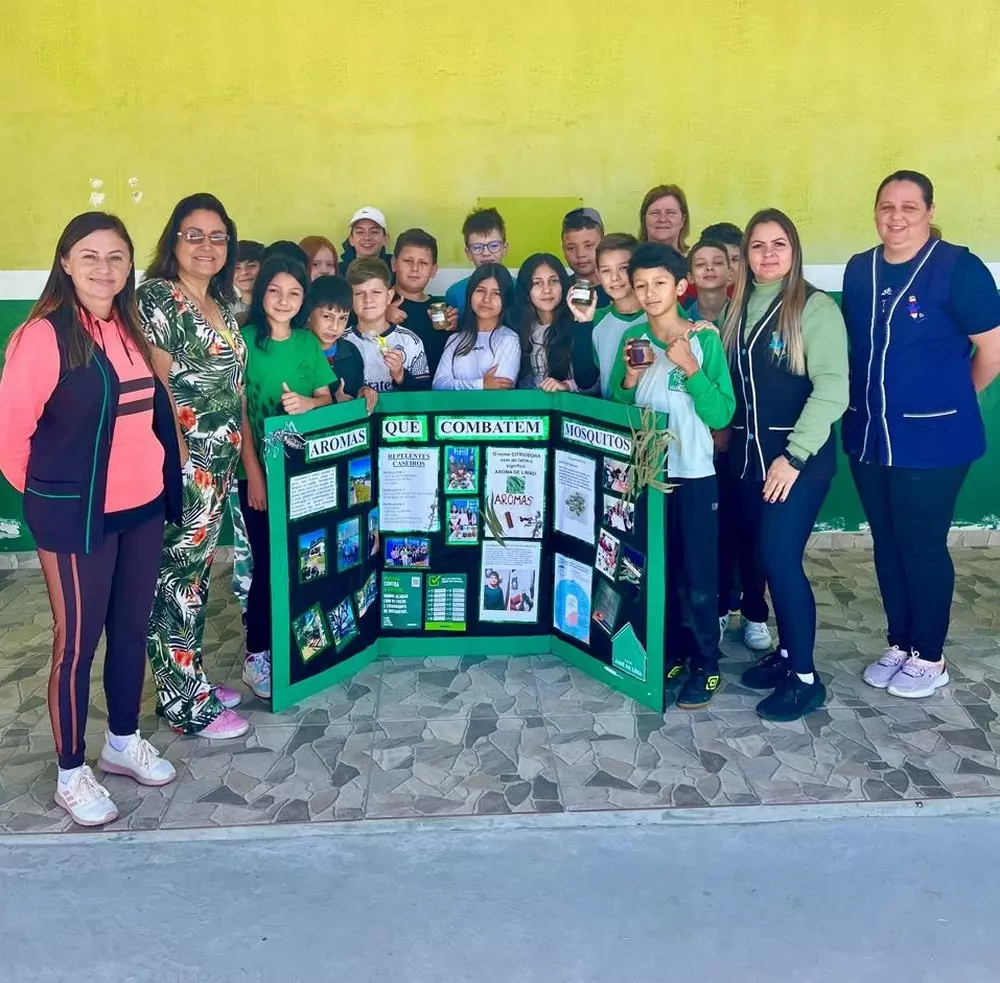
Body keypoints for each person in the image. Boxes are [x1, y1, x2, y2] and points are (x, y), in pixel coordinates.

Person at [0, 212, 182, 826]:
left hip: (142, 508)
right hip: (78, 519)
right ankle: (71, 771)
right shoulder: (43, 337)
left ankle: (123, 742)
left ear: (130, 266)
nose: (104, 267)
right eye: (90, 255)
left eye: (116, 256)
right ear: (65, 262)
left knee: (131, 631)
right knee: (75, 645)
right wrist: (53, 499)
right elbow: (11, 437)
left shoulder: (129, 326)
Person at [842, 170, 1000, 698]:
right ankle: (900, 642)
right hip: (870, 437)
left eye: (910, 207)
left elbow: (991, 353)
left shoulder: (960, 269)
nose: (897, 217)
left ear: (929, 212)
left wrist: (952, 402)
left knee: (923, 545)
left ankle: (929, 657)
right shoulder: (859, 270)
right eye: (887, 206)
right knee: (887, 543)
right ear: (875, 212)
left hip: (935, 443)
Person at [722, 209, 849, 722]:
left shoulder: (814, 308)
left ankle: (805, 679)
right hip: (749, 464)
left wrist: (793, 457)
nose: (768, 254)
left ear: (794, 251)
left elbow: (833, 387)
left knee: (780, 561)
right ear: (746, 256)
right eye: (757, 246)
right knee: (760, 558)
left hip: (797, 465)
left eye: (779, 244)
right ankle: (787, 654)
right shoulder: (741, 306)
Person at [138, 192, 250, 740]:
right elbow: (156, 386)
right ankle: (185, 706)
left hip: (219, 464)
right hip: (187, 465)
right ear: (173, 240)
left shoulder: (222, 305)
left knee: (196, 577)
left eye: (217, 237)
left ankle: (192, 680)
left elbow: (234, 387)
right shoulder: (159, 297)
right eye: (194, 234)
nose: (207, 246)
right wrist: (179, 460)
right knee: (177, 581)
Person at [610, 243, 735, 711]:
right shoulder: (636, 343)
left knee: (698, 577)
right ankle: (675, 654)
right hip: (648, 479)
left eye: (659, 283)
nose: (648, 292)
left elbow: (722, 412)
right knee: (657, 573)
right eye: (640, 284)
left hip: (694, 475)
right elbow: (618, 415)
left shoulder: (703, 340)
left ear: (680, 286)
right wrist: (626, 378)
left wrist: (690, 367)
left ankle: (707, 663)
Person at [238, 257, 335, 700]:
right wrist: (254, 474)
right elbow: (238, 414)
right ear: (261, 294)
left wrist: (307, 406)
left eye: (294, 293)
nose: (284, 300)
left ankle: (297, 642)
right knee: (268, 564)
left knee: (304, 561)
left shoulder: (307, 344)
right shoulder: (243, 342)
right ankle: (257, 653)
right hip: (259, 475)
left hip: (305, 475)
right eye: (274, 291)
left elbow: (326, 398)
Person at [686, 238, 771, 649]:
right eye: (699, 263)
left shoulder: (747, 317)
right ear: (689, 275)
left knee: (750, 531)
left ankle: (754, 612)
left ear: (731, 270)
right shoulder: (681, 321)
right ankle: (720, 608)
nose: (709, 269)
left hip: (745, 440)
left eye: (718, 262)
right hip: (701, 443)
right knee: (713, 533)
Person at [513, 253, 598, 392]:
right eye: (537, 283)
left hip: (570, 409)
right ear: (526, 290)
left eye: (553, 281)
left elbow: (596, 384)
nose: (547, 290)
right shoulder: (518, 330)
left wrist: (566, 386)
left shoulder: (580, 322)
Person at [343, 257, 430, 393]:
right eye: (359, 293)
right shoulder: (341, 341)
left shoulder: (409, 341)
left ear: (389, 296)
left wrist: (400, 375)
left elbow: (424, 392)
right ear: (349, 298)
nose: (368, 300)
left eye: (376, 293)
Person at [433, 264, 520, 390]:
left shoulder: (509, 339)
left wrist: (457, 384)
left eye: (496, 293)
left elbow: (499, 388)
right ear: (470, 294)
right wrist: (481, 384)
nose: (486, 299)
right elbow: (438, 385)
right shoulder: (455, 339)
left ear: (506, 299)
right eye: (480, 291)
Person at [388, 228, 458, 374]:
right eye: (408, 261)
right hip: (389, 395)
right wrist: (380, 317)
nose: (415, 269)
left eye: (423, 263)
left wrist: (457, 327)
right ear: (394, 263)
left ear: (433, 269)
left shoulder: (443, 310)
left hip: (435, 394)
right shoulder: (375, 303)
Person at [585, 233, 647, 398]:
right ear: (598, 275)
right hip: (613, 417)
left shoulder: (659, 312)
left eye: (624, 268)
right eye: (606, 271)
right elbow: (586, 380)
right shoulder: (596, 319)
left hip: (658, 417)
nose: (614, 278)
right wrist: (582, 324)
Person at [304, 274, 375, 409]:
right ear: (309, 313)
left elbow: (356, 390)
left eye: (343, 318)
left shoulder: (351, 352)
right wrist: (333, 401)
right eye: (327, 316)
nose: (335, 327)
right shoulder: (297, 350)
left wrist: (363, 393)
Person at [444, 207, 509, 315]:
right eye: (477, 247)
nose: (486, 253)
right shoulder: (455, 293)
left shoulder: (520, 289)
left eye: (493, 245)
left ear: (505, 248)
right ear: (468, 253)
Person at [561, 207, 611, 308]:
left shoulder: (618, 287)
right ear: (563, 250)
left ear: (603, 245)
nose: (580, 254)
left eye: (588, 246)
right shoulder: (558, 292)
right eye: (571, 248)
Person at [684, 239, 730, 324]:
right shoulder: (683, 320)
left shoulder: (745, 315)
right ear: (690, 277)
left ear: (730, 273)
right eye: (700, 264)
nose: (709, 267)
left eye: (718, 262)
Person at [232, 239, 264, 323]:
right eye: (236, 268)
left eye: (251, 265)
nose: (244, 272)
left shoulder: (278, 307)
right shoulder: (226, 311)